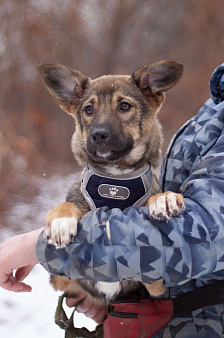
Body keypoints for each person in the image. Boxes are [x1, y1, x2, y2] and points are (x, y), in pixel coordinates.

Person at [1, 63, 224, 337]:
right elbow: (61, 281)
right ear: (72, 105)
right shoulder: (215, 105)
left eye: (124, 107)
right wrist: (94, 292)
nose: (101, 127)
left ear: (152, 96)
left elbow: (206, 231)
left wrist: (35, 246)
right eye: (90, 110)